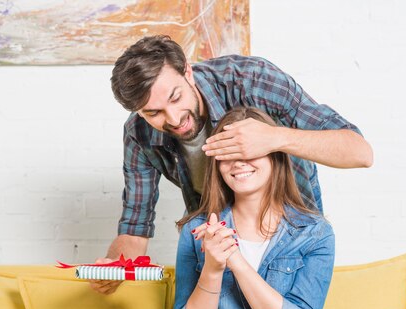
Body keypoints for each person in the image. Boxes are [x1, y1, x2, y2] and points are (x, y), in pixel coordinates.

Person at [92, 34, 372, 295]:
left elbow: (359, 151)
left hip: (290, 230)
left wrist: (273, 138)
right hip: (219, 240)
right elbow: (135, 226)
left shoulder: (250, 81)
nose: (174, 118)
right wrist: (115, 266)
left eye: (176, 97)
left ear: (187, 72)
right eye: (154, 113)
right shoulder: (139, 133)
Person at [162, 107, 342, 309]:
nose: (239, 163)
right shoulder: (197, 233)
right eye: (228, 154)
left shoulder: (314, 234)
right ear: (217, 166)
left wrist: (236, 261)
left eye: (248, 150)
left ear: (274, 155)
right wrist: (213, 269)